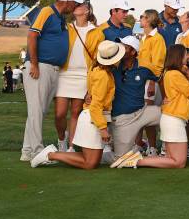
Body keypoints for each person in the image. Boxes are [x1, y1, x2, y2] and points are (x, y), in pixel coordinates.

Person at [31, 40, 126, 169]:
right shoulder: (103, 75)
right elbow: (96, 105)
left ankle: (53, 154)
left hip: (92, 118)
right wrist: (103, 129)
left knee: (93, 161)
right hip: (93, 119)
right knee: (89, 163)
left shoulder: (97, 69)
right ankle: (50, 155)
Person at [112, 44, 189, 169]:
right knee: (179, 162)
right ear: (179, 57)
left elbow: (162, 80)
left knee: (171, 158)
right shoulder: (175, 74)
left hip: (171, 118)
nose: (188, 57)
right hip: (174, 119)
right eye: (186, 54)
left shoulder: (170, 73)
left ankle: (137, 159)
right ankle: (137, 160)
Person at [21, 0, 82, 161]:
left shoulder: (61, 18)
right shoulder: (47, 11)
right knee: (36, 111)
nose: (75, 7)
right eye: (75, 4)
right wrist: (34, 63)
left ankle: (27, 150)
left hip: (52, 68)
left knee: (38, 110)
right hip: (40, 66)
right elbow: (32, 35)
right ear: (67, 1)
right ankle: (36, 150)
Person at [54, 1, 99, 152]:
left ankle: (71, 147)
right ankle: (62, 139)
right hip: (64, 73)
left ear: (87, 11)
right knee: (59, 114)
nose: (76, 8)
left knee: (75, 113)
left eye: (80, 6)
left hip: (83, 76)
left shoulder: (96, 31)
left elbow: (97, 58)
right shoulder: (67, 27)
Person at [110, 36, 161, 157]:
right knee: (120, 159)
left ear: (133, 52)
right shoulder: (113, 64)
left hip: (142, 112)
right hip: (122, 118)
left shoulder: (145, 66)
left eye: (125, 47)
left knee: (172, 114)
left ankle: (165, 148)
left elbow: (161, 77)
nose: (120, 49)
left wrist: (167, 98)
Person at [138, 9, 167, 155]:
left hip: (151, 82)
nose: (140, 18)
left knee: (148, 116)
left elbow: (157, 66)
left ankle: (154, 148)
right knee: (142, 115)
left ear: (148, 19)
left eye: (142, 16)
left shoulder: (157, 39)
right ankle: (147, 146)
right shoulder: (144, 37)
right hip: (141, 82)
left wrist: (150, 82)